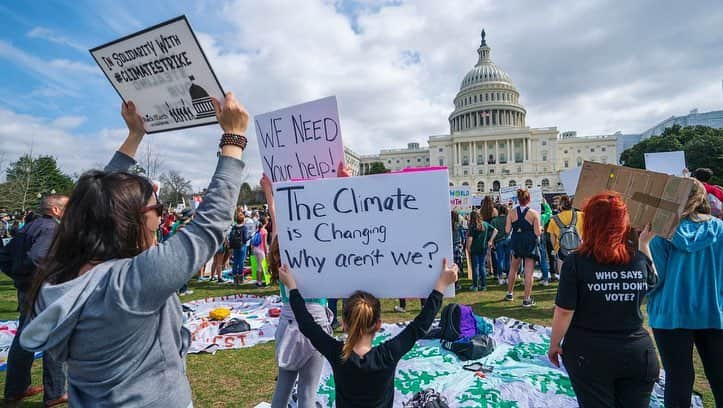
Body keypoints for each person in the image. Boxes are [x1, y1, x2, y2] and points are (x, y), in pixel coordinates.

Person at [19, 93, 249, 407]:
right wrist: (233, 138)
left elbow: (96, 202)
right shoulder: (131, 283)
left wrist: (134, 136)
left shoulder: (59, 274)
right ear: (131, 220)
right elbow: (209, 226)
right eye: (159, 208)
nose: (162, 216)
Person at [279, 259, 458, 407]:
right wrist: (441, 285)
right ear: (379, 325)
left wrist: (293, 289)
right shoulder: (388, 354)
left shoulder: (338, 354)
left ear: (345, 324)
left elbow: (307, 325)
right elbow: (420, 326)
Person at [548, 192, 660, 407]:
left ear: (589, 222)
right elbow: (653, 281)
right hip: (636, 351)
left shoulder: (576, 262)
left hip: (590, 353)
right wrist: (644, 244)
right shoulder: (637, 260)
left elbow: (564, 311)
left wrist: (554, 343)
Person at [647, 179, 723, 407]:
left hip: (671, 313)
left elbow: (655, 279)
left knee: (678, 377)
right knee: (719, 376)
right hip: (712, 310)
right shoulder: (719, 229)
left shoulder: (662, 231)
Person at [4, 195, 69, 407]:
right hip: (43, 290)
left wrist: (19, 278)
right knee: (54, 337)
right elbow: (38, 257)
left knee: (25, 338)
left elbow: (4, 256)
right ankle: (55, 392)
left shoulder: (28, 227)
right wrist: (45, 280)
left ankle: (16, 388)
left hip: (28, 290)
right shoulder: (51, 229)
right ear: (57, 211)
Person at [505, 189, 542, 306]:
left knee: (513, 268)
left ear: (518, 199)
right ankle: (526, 299)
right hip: (529, 242)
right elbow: (537, 232)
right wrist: (541, 229)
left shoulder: (511, 212)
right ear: (529, 199)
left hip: (516, 240)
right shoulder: (534, 213)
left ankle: (509, 293)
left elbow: (507, 230)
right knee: (529, 272)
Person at [547, 194, 584, 277]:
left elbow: (552, 237)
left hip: (562, 249)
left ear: (560, 206)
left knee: (563, 272)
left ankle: (563, 283)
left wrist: (555, 248)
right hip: (578, 247)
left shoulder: (554, 219)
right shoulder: (581, 215)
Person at [466, 210, 497, 291]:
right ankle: (483, 285)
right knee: (482, 266)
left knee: (475, 267)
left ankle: (475, 286)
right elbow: (495, 230)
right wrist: (490, 240)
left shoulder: (473, 226)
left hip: (474, 249)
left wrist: (468, 248)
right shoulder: (485, 224)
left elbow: (470, 239)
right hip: (483, 248)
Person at [490, 204, 511, 285]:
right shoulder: (508, 219)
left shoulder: (494, 220)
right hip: (508, 240)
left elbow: (492, 232)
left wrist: (492, 241)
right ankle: (508, 276)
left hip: (498, 241)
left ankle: (500, 277)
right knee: (508, 259)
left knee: (500, 259)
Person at [229, 209, 249, 286]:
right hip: (242, 246)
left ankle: (235, 280)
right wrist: (250, 237)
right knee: (241, 263)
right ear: (243, 220)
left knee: (235, 262)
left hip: (235, 246)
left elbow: (230, 237)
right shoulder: (244, 228)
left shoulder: (234, 227)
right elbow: (245, 239)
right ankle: (241, 280)